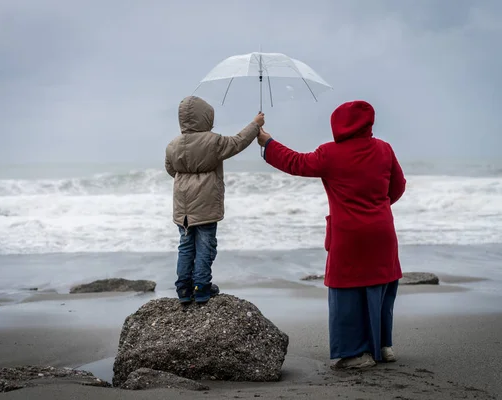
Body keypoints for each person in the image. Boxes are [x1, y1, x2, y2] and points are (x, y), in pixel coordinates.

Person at [257, 100, 406, 369]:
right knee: (379, 287)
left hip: (348, 235)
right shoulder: (384, 149)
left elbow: (296, 163)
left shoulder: (330, 154)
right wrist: (377, 208)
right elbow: (398, 187)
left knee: (347, 292)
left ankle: (355, 354)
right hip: (382, 231)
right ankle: (383, 346)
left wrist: (267, 143)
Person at [165, 96, 265, 304]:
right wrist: (255, 125)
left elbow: (170, 170)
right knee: (205, 244)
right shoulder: (213, 141)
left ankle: (183, 289)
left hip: (182, 207)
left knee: (185, 245)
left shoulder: (172, 145)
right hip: (206, 204)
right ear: (205, 117)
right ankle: (201, 287)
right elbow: (237, 142)